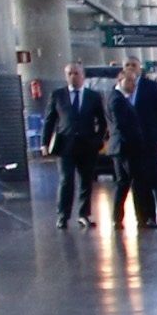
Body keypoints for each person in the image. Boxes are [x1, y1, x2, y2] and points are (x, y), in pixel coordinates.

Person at [49, 65, 116, 226]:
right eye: (69, 74)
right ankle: (63, 215)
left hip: (87, 146)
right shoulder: (58, 95)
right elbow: (50, 119)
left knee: (86, 181)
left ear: (83, 76)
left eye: (76, 73)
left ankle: (84, 214)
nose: (73, 76)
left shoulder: (93, 96)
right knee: (66, 180)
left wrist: (98, 139)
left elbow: (102, 120)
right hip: (66, 146)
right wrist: (45, 143)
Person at [121, 58, 157, 227]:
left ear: (140, 68)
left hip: (150, 140)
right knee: (139, 180)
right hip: (131, 143)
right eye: (127, 65)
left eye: (133, 65)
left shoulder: (151, 87)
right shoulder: (119, 89)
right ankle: (145, 215)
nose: (130, 68)